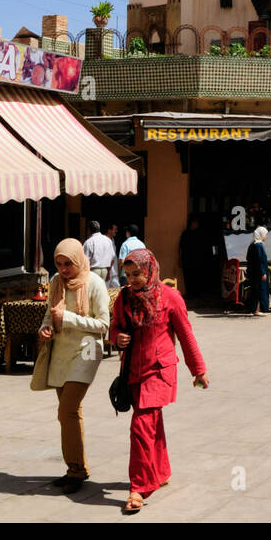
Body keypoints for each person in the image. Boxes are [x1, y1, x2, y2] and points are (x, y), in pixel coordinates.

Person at [110, 249, 208, 514]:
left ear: (150, 269)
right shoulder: (124, 297)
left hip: (159, 371)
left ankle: (139, 487)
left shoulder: (170, 297)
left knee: (141, 425)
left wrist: (198, 370)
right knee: (152, 422)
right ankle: (161, 470)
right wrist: (117, 337)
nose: (132, 280)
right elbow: (115, 325)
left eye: (137, 274)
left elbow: (186, 336)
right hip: (133, 371)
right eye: (128, 275)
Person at [37, 239, 111, 494]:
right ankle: (75, 468)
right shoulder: (56, 282)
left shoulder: (95, 283)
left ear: (79, 260)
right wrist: (45, 327)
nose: (64, 269)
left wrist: (66, 318)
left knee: (66, 410)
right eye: (59, 264)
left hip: (87, 351)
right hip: (61, 352)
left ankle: (76, 471)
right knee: (68, 413)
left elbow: (103, 325)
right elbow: (49, 313)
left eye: (68, 263)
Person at [244, 226, 271, 316]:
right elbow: (260, 260)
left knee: (255, 291)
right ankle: (257, 309)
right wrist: (263, 272)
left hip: (254, 272)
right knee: (260, 291)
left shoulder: (252, 245)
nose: (266, 236)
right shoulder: (258, 245)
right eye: (265, 234)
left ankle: (255, 309)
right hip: (258, 273)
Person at [82, 220, 116, 285]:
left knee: (93, 292)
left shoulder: (89, 242)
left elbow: (85, 260)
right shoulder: (108, 240)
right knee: (101, 291)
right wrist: (108, 272)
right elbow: (112, 258)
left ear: (89, 230)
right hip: (105, 270)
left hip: (93, 271)